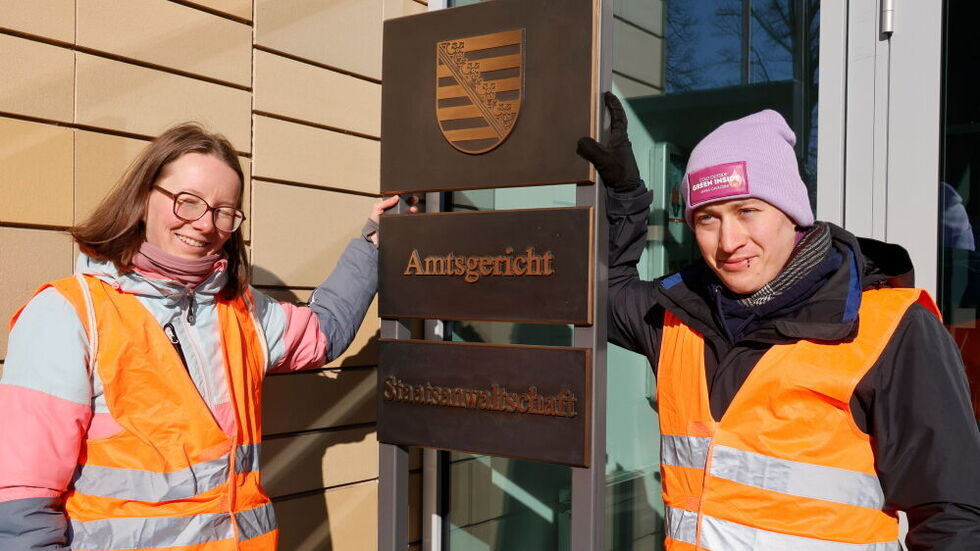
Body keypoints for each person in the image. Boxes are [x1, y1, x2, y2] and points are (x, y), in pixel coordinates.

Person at [577, 93, 980, 549]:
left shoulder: (893, 330)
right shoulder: (677, 318)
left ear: (792, 213)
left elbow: (953, 516)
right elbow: (600, 292)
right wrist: (625, 199)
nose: (729, 241)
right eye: (708, 218)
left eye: (748, 211)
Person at [0, 123, 402, 550]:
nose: (204, 224)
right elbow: (22, 501)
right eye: (187, 202)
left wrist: (373, 244)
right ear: (142, 199)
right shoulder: (69, 313)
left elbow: (324, 331)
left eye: (224, 211)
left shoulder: (243, 311)